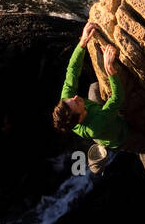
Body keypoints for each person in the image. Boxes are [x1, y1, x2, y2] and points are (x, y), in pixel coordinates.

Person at [52, 21, 128, 175]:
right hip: (119, 134)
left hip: (99, 117)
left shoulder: (66, 102)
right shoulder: (94, 126)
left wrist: (83, 41)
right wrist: (110, 69)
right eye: (76, 102)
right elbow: (117, 99)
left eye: (71, 99)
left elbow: (72, 70)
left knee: (93, 88)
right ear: (80, 117)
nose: (75, 97)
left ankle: (100, 147)